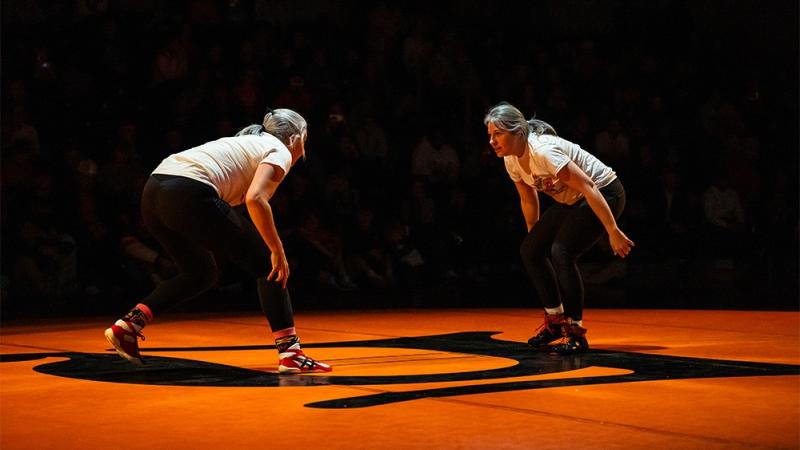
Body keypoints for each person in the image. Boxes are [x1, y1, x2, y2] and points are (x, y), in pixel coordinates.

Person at [104, 108, 332, 373]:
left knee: (200, 273)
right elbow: (255, 199)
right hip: (187, 191)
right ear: (296, 138)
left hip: (153, 192)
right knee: (268, 264)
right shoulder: (278, 149)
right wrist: (277, 249)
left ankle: (129, 326)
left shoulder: (247, 143)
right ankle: (291, 353)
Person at [484, 102, 634, 354]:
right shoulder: (511, 159)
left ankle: (575, 331)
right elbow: (527, 198)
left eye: (498, 134)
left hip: (605, 193)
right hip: (573, 200)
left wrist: (612, 230)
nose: (492, 141)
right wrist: (535, 236)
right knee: (530, 250)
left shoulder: (543, 151)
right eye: (490, 135)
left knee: (562, 252)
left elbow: (588, 186)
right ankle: (555, 322)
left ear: (517, 131)